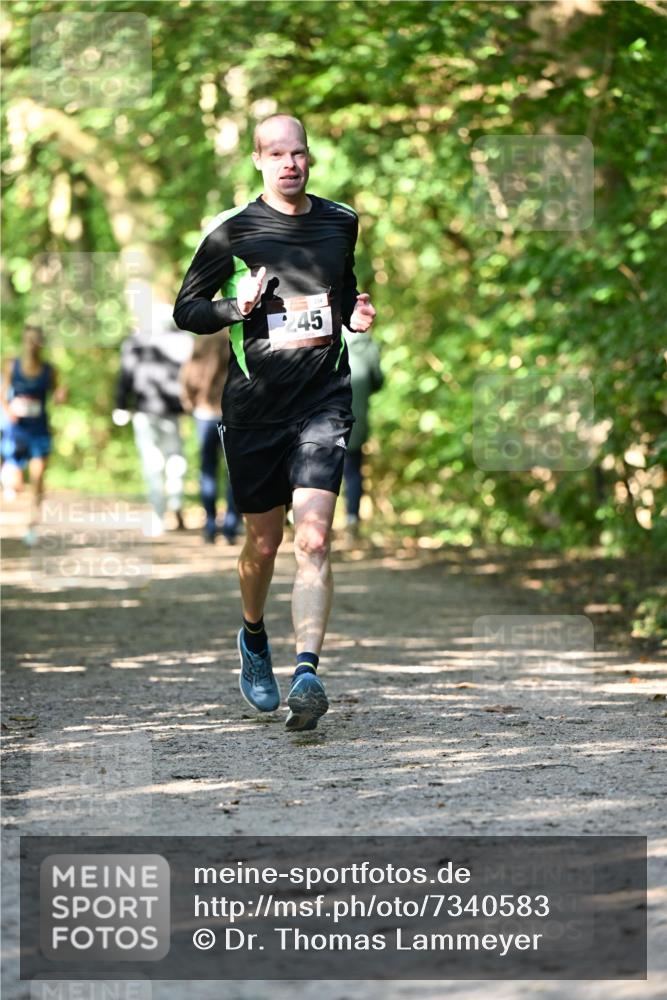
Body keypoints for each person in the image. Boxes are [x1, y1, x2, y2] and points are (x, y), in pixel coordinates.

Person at [173, 113, 376, 732]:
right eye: (278, 154)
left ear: (310, 158)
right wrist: (235, 307)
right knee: (264, 544)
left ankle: (307, 672)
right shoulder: (232, 231)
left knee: (313, 538)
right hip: (254, 409)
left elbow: (342, 291)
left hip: (323, 400)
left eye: (300, 153)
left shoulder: (341, 221)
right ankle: (253, 636)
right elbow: (187, 310)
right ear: (259, 161)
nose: (291, 164)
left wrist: (355, 314)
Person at [113, 303, 192, 538]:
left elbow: (125, 376)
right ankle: (175, 501)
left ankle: (159, 515)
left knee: (153, 463)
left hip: (145, 410)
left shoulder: (135, 343)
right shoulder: (184, 341)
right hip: (173, 410)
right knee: (175, 458)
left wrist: (120, 405)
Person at [1, 324, 66, 545]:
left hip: (39, 430)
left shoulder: (50, 370)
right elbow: (2, 394)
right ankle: (9, 480)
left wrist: (61, 396)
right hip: (16, 431)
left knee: (38, 479)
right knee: (15, 484)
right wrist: (8, 411)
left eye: (35, 340)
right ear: (24, 341)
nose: (31, 345)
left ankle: (33, 525)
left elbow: (56, 398)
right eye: (28, 340)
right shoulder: (12, 365)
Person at [179, 330, 240, 544]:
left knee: (208, 470)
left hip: (205, 413)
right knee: (234, 472)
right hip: (233, 413)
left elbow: (188, 374)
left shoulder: (203, 338)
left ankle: (210, 526)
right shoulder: (235, 336)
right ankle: (231, 527)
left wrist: (189, 401)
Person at [343, 329, 384, 536]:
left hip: (324, 417)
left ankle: (308, 521)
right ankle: (352, 519)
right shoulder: (368, 345)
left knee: (317, 468)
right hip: (356, 417)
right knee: (352, 471)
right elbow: (378, 380)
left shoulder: (325, 334)